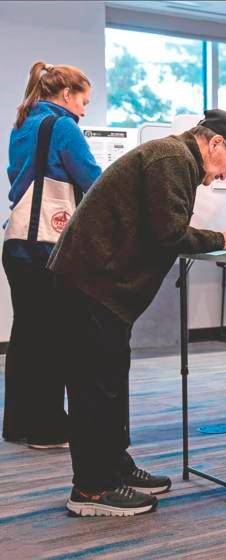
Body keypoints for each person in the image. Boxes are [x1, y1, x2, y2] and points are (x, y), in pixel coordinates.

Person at [47, 108, 226, 517]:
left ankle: (114, 468)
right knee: (95, 389)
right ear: (214, 143)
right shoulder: (172, 159)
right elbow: (168, 234)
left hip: (97, 286)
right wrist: (223, 237)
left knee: (110, 384)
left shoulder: (173, 158)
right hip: (90, 285)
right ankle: (91, 490)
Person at [3, 61, 102, 449]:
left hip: (16, 242)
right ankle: (47, 429)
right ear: (66, 95)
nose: (84, 109)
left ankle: (19, 424)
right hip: (46, 242)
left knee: (27, 335)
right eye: (84, 101)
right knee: (54, 338)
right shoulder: (62, 126)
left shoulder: (23, 123)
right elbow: (93, 179)